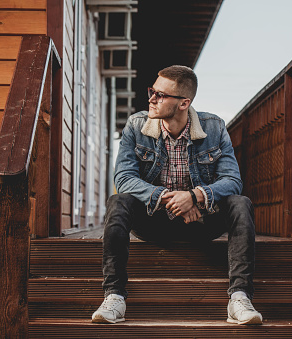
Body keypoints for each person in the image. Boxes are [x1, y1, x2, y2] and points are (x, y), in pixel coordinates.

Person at [91, 65, 262, 325]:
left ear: (184, 103)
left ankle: (239, 297)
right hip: (152, 223)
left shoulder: (214, 128)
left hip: (201, 223)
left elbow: (232, 181)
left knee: (241, 204)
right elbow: (124, 179)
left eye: (160, 95)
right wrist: (171, 198)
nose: (151, 99)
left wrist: (195, 196)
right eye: (152, 91)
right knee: (118, 202)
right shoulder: (137, 126)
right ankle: (114, 296)